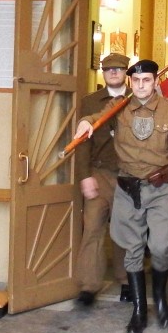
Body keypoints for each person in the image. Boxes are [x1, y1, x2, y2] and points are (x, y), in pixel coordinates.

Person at [73, 59, 168, 333]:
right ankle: (139, 309)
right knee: (132, 248)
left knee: (161, 247)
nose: (141, 86)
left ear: (155, 82)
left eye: (146, 80)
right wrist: (84, 123)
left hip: (161, 189)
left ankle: (160, 297)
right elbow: (96, 116)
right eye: (136, 81)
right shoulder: (119, 106)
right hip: (128, 189)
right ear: (130, 82)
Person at [74, 53, 131, 307]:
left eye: (118, 69)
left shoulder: (137, 97)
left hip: (128, 174)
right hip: (99, 173)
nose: (114, 73)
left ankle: (127, 280)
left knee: (125, 229)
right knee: (93, 228)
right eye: (109, 70)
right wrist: (85, 176)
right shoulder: (90, 102)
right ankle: (89, 285)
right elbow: (82, 143)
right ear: (103, 72)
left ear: (126, 72)